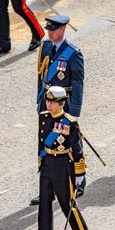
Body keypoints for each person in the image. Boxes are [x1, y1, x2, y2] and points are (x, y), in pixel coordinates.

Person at [31, 14, 84, 205]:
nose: (50, 33)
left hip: (63, 106)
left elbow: (77, 82)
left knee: (65, 146)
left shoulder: (73, 53)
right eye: (48, 30)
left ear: (63, 30)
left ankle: (74, 181)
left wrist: (74, 112)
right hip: (46, 105)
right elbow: (41, 76)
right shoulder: (45, 47)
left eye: (53, 30)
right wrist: (39, 99)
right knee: (45, 146)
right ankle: (46, 189)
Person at [33, 86, 89, 230]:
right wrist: (40, 162)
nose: (48, 105)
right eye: (47, 101)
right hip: (48, 163)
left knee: (66, 202)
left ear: (61, 103)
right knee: (44, 203)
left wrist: (80, 174)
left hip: (63, 164)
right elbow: (41, 143)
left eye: (52, 102)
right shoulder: (43, 117)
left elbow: (78, 150)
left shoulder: (69, 122)